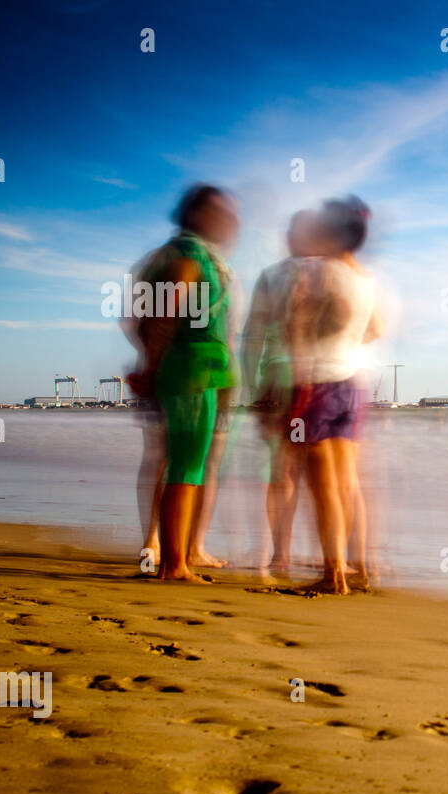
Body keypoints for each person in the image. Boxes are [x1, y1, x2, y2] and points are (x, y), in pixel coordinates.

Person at [137, 184, 240, 582]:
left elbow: (150, 316)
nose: (229, 221)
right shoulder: (189, 256)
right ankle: (174, 564)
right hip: (192, 367)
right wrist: (152, 367)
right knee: (185, 466)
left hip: (198, 368)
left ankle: (179, 556)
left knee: (187, 464)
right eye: (220, 212)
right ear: (197, 215)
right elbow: (165, 314)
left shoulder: (185, 254)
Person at [286, 196, 383, 594]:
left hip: (318, 382)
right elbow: (374, 329)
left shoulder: (320, 272)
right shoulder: (364, 276)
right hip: (351, 385)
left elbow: (298, 324)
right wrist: (344, 341)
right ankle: (357, 567)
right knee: (346, 482)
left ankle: (333, 575)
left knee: (322, 486)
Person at [242, 210, 318, 576]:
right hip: (322, 379)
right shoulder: (331, 274)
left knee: (282, 472)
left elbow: (252, 336)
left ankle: (281, 554)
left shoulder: (272, 277)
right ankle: (328, 554)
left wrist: (252, 386)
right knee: (324, 471)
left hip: (278, 377)